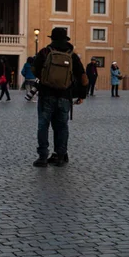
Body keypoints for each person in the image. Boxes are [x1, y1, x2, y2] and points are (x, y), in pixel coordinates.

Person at [31, 27, 88, 167]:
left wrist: (44, 78)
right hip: (65, 95)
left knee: (43, 125)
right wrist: (82, 95)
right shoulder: (72, 55)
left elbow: (33, 69)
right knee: (62, 126)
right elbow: (83, 76)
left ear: (52, 39)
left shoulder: (45, 52)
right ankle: (60, 155)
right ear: (65, 39)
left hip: (46, 94)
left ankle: (43, 157)